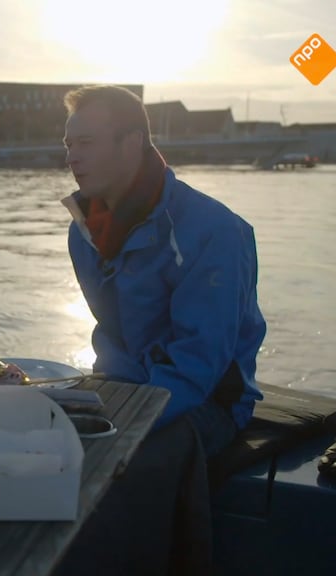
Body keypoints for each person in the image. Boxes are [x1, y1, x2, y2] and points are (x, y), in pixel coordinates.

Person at [60, 84, 267, 459]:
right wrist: (99, 397)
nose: (73, 157)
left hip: (207, 402)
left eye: (86, 143)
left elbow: (198, 364)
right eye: (69, 145)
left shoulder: (214, 232)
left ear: (132, 143)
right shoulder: (84, 233)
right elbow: (113, 333)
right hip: (122, 384)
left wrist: (121, 421)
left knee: (111, 464)